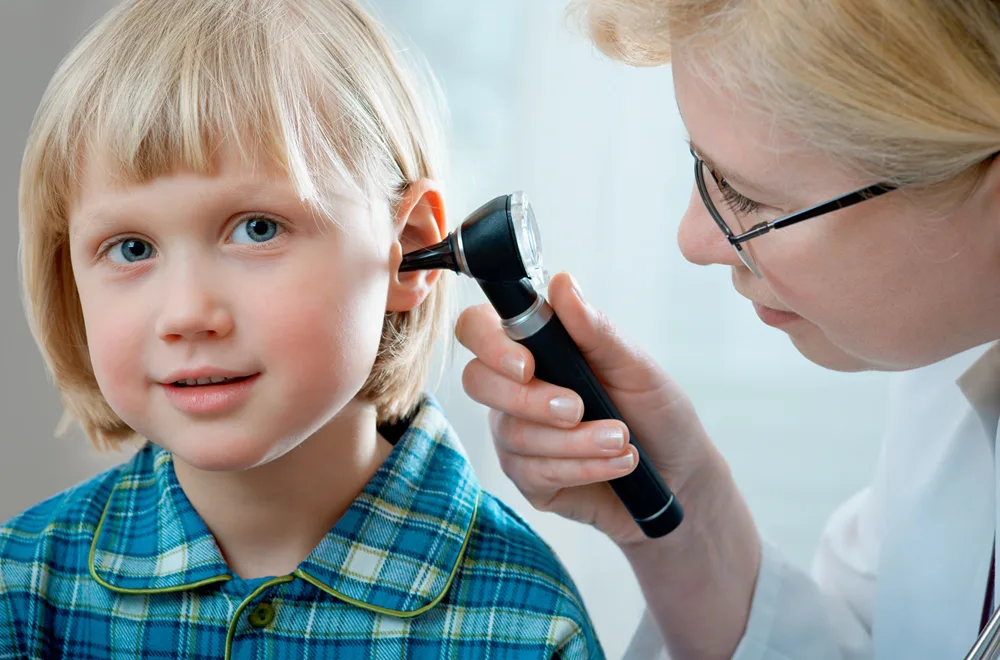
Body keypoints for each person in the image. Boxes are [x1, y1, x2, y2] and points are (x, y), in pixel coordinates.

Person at [0, 1, 604, 658]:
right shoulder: (24, 591)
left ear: (407, 248)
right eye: (131, 248)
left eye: (258, 228)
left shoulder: (529, 628)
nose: (186, 314)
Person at [455, 0, 1000, 658]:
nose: (694, 239)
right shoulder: (949, 385)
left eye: (746, 197)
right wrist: (686, 514)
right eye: (702, 166)